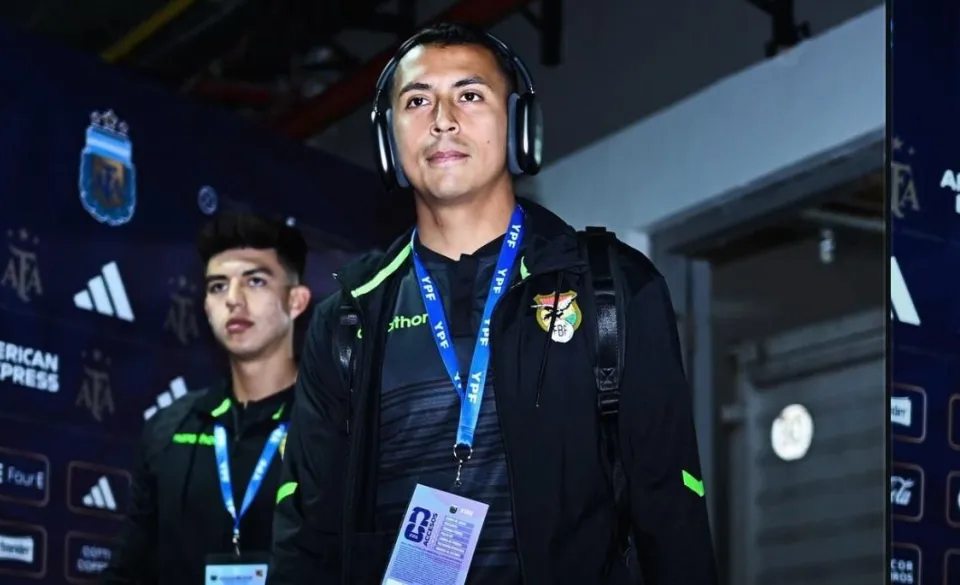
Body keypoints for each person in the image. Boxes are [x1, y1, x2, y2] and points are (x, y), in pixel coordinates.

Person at [269, 23, 717, 585]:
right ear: (389, 140)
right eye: (416, 101)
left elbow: (670, 514)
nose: (442, 119)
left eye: (470, 95)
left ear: (518, 126)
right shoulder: (348, 320)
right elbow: (307, 536)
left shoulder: (612, 287)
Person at [100, 211, 312, 585]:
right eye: (217, 286)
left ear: (295, 301)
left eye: (255, 281)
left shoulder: (335, 423)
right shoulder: (169, 428)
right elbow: (129, 568)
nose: (233, 299)